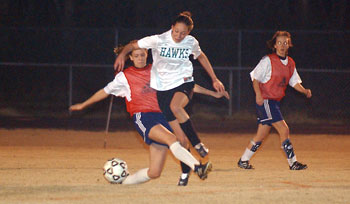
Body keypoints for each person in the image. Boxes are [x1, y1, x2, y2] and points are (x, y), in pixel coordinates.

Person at [70, 45, 226, 185]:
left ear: (147, 54)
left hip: (164, 117)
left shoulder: (158, 70)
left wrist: (212, 93)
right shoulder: (124, 77)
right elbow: (104, 92)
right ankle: (198, 167)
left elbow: (186, 85)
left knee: (154, 172)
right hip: (144, 117)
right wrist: (84, 104)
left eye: (142, 55)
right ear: (130, 57)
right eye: (136, 55)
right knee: (174, 139)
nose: (140, 58)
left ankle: (122, 184)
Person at [114, 11, 226, 186]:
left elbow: (201, 58)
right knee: (171, 150)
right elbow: (133, 45)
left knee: (176, 109)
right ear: (171, 28)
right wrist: (122, 54)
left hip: (184, 83)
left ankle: (197, 151)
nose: (179, 36)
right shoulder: (158, 41)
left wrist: (214, 80)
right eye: (176, 31)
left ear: (188, 32)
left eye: (183, 33)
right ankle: (183, 174)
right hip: (163, 94)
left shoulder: (191, 42)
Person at [237, 31, 312, 170]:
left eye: (285, 42)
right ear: (274, 45)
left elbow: (294, 82)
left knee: (261, 135)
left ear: (289, 44)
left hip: (274, 102)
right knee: (284, 130)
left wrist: (304, 91)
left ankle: (243, 160)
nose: (282, 45)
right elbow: (255, 79)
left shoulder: (290, 63)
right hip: (266, 100)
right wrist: (258, 95)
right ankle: (293, 163)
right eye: (279, 43)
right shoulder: (268, 60)